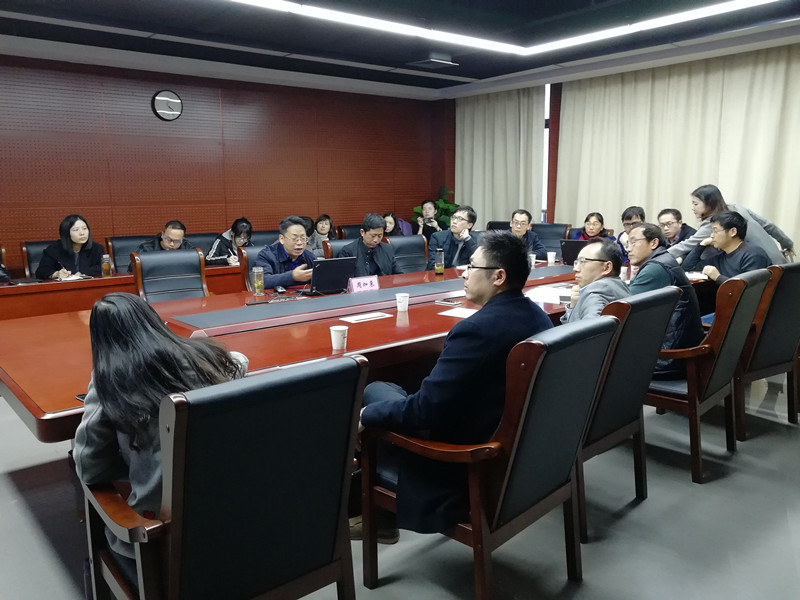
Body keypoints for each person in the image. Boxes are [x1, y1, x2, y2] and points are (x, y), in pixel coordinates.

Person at [359, 231, 553, 534]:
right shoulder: (538, 317)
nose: (463, 272)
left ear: (498, 276)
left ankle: (378, 516)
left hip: (463, 460)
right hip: (507, 443)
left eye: (472, 266)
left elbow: (424, 412)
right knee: (395, 389)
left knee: (373, 392)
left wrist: (364, 416)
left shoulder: (475, 331)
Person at [73, 292, 247, 581]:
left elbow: (89, 468)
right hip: (234, 523)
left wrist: (135, 465)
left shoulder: (111, 382)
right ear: (152, 320)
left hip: (158, 540)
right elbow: (240, 361)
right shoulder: (204, 354)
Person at [626, 223, 704, 378]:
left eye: (633, 242)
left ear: (653, 243)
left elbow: (622, 309)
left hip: (669, 357)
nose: (628, 249)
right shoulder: (664, 259)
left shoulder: (655, 268)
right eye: (627, 243)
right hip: (680, 350)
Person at [682, 211, 770, 284]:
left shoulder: (753, 255)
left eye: (715, 231)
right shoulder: (721, 256)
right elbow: (688, 268)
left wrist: (718, 277)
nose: (711, 235)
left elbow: (747, 291)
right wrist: (702, 244)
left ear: (733, 232)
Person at [561, 238, 629, 323]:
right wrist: (574, 306)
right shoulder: (621, 285)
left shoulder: (597, 291)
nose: (575, 269)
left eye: (582, 261)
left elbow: (590, 329)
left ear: (607, 267)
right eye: (577, 262)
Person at [667, 184, 728, 262]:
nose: (693, 208)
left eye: (696, 204)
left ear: (709, 204)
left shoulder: (712, 223)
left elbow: (688, 245)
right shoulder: (730, 210)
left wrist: (663, 255)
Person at [35, 214, 104, 280]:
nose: (82, 233)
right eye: (76, 230)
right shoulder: (54, 250)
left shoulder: (97, 248)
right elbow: (41, 271)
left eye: (84, 228)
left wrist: (83, 273)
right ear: (66, 233)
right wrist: (56, 274)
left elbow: (103, 267)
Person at [254, 215, 316, 288]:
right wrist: (292, 276)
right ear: (281, 239)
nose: (299, 243)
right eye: (294, 238)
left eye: (303, 238)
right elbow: (262, 281)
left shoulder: (310, 257)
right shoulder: (266, 255)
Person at [426, 205, 477, 270]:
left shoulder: (473, 241)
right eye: (453, 217)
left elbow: (479, 263)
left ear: (469, 225)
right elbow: (433, 265)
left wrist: (467, 240)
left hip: (463, 275)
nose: (454, 221)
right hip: (440, 274)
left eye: (460, 219)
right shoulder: (438, 237)